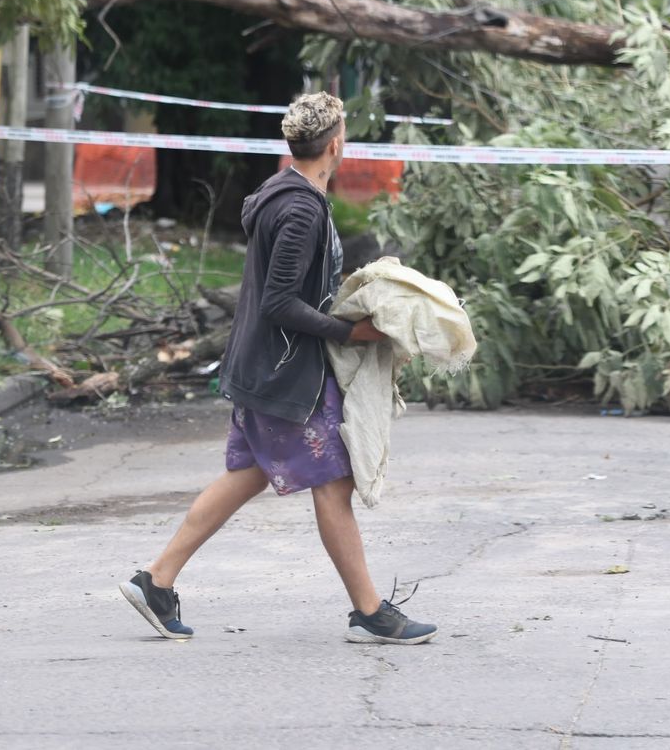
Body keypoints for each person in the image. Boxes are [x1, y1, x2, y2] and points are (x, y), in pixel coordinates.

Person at [119, 92, 436, 646]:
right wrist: (351, 332)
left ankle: (156, 582)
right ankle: (370, 611)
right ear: (335, 144)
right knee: (333, 485)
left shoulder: (284, 192)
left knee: (247, 475)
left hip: (263, 366)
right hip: (283, 373)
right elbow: (279, 301)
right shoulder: (300, 208)